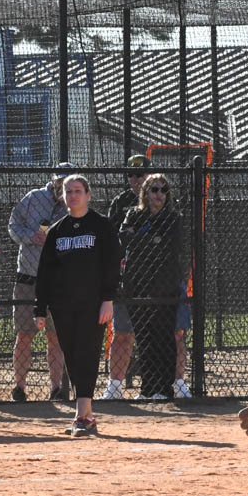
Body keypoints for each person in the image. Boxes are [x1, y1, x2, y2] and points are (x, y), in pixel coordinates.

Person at [34, 174, 120, 436]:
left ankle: (81, 415)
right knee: (71, 355)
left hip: (92, 304)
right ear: (63, 196)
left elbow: (112, 264)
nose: (73, 195)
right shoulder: (57, 230)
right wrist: (40, 308)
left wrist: (108, 299)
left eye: (78, 191)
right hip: (62, 305)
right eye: (68, 191)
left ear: (88, 195)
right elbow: (45, 272)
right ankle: (86, 416)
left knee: (87, 352)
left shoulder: (101, 225)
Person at [8, 163, 73, 401]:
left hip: (59, 281)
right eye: (59, 182)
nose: (62, 187)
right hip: (29, 277)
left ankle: (56, 388)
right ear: (53, 180)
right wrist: (29, 236)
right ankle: (19, 387)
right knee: (25, 334)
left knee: (55, 337)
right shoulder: (33, 198)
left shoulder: (74, 204)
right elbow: (13, 225)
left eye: (67, 183)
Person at [119, 173, 184, 400]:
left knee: (163, 336)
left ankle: (164, 388)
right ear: (145, 193)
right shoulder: (134, 214)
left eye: (164, 190)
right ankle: (148, 388)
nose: (159, 195)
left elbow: (169, 246)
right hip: (137, 284)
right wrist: (152, 239)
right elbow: (124, 237)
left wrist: (140, 238)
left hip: (164, 286)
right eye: (154, 190)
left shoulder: (173, 218)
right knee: (144, 337)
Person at [102, 153, 151, 399]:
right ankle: (115, 386)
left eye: (140, 174)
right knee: (122, 332)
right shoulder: (121, 202)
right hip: (126, 274)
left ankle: (156, 386)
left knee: (155, 334)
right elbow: (113, 237)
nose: (135, 179)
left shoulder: (161, 199)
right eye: (131, 175)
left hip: (154, 275)